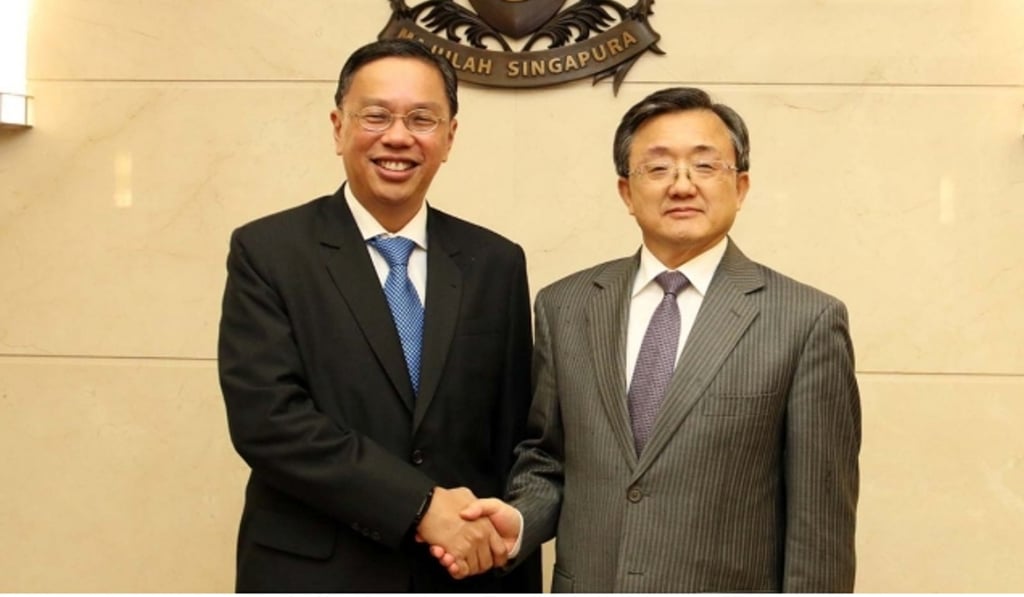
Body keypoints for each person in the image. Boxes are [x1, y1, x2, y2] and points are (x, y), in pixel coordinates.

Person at [433, 86, 861, 592]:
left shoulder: (805, 322)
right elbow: (547, 459)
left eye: (705, 166)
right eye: (657, 168)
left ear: (741, 187)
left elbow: (819, 530)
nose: (681, 185)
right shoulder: (565, 307)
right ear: (626, 193)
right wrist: (521, 519)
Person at [217, 39, 541, 592]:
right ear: (338, 127)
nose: (398, 136)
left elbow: (513, 439)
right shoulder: (268, 252)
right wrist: (420, 505)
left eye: (421, 119)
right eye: (376, 115)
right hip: (313, 574)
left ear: (449, 137)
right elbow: (268, 422)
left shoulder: (495, 262)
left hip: (456, 576)